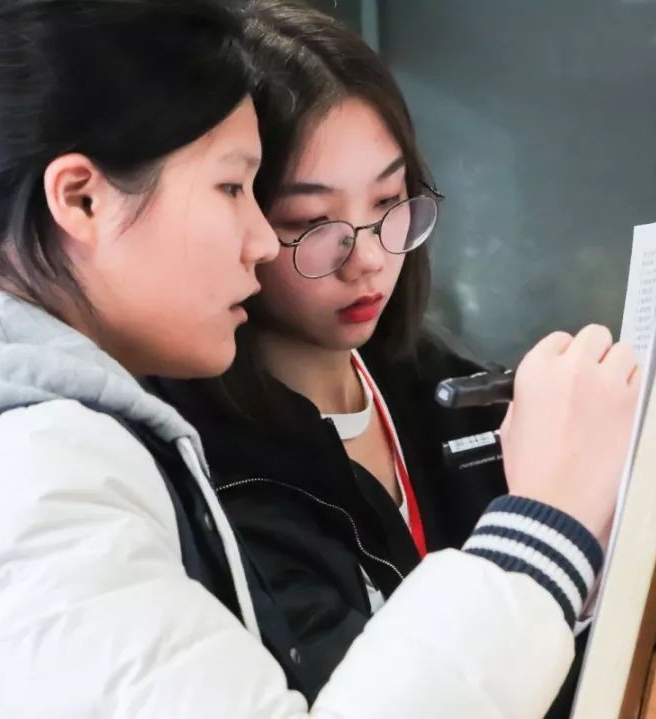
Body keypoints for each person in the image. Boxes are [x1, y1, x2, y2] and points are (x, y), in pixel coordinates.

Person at [0, 1, 638, 717]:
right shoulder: (24, 474)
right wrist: (543, 532)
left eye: (390, 203)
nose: (259, 242)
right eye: (234, 189)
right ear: (82, 198)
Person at [147, 1, 622, 709]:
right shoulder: (210, 468)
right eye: (312, 222)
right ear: (239, 219)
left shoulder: (435, 380)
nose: (368, 258)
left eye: (389, 200)